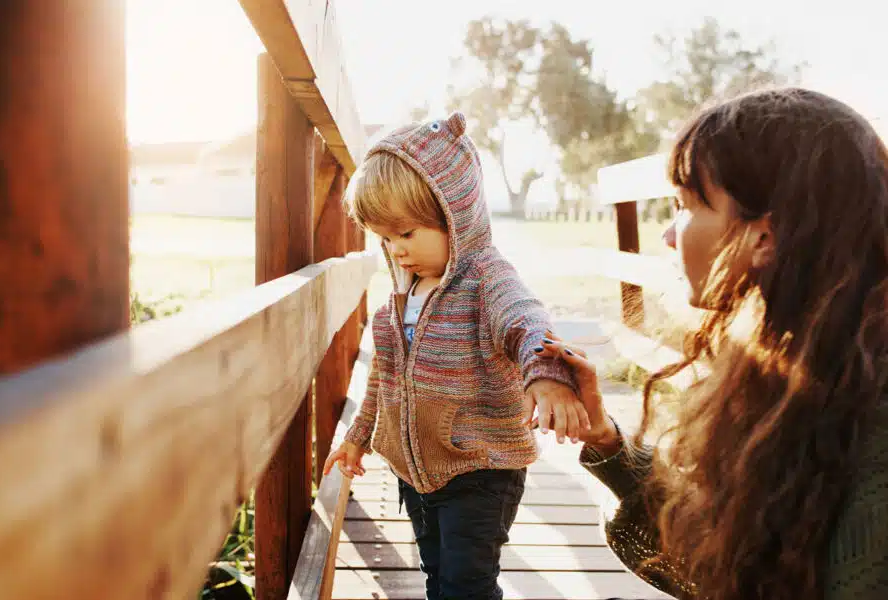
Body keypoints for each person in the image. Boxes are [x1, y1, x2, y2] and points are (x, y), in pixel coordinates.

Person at [537, 87, 888, 600]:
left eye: (683, 207)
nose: (669, 236)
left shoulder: (870, 433)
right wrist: (608, 442)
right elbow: (730, 560)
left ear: (763, 237)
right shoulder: (799, 364)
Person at [323, 111, 587, 599]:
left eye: (407, 233)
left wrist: (545, 372)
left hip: (480, 469)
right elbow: (384, 379)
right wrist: (359, 437)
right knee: (438, 577)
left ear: (455, 215)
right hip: (416, 473)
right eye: (384, 237)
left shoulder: (486, 278)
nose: (396, 250)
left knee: (467, 585)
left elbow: (524, 319)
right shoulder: (400, 296)